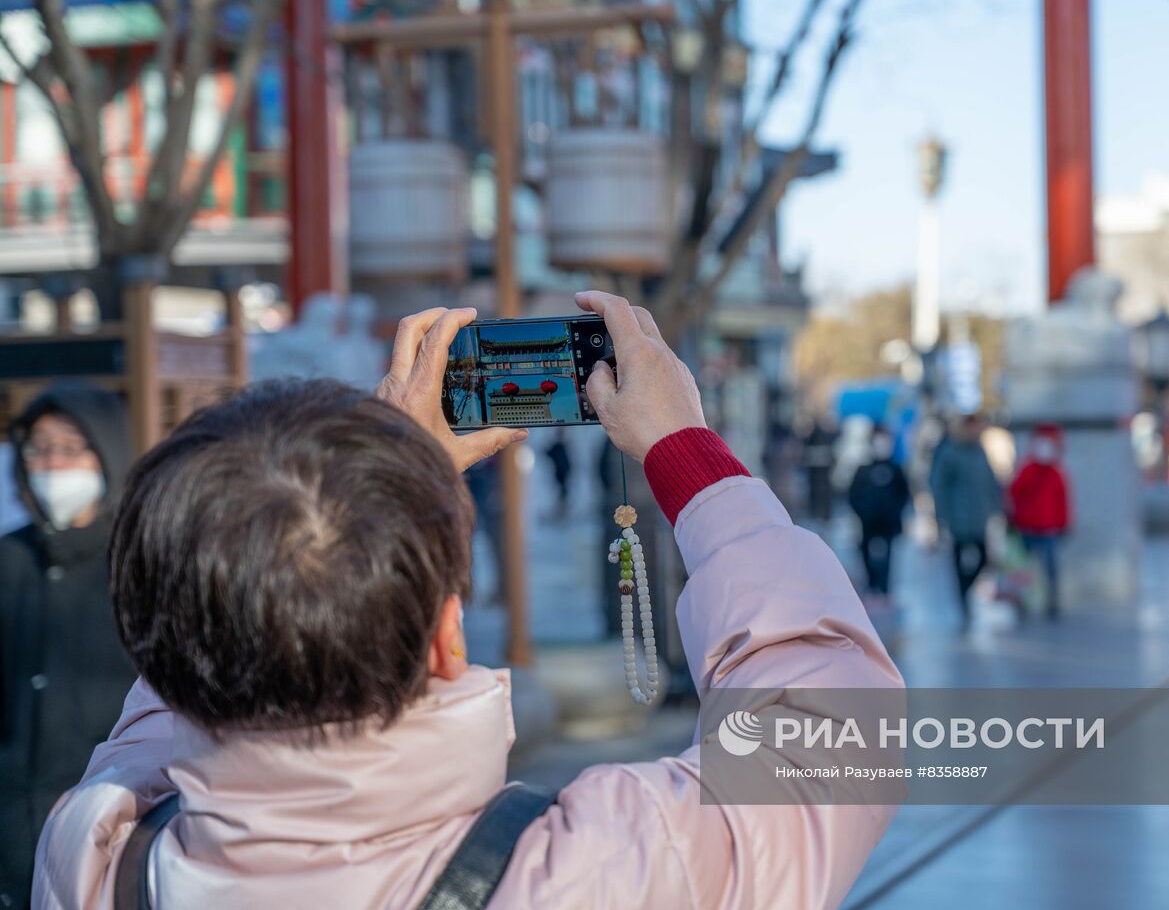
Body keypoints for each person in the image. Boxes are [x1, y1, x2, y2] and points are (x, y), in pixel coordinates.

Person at [31, 293, 903, 910]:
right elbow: (836, 731)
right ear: (448, 637)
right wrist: (685, 449)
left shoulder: (98, 858)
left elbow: (170, 685)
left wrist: (372, 478)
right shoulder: (598, 870)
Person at [1, 383, 137, 908]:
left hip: (110, 826)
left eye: (70, 448)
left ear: (107, 452)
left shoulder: (138, 562)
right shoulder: (10, 558)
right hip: (13, 833)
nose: (52, 465)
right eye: (38, 449)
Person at [931, 413, 1003, 627]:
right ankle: (962, 596)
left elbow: (990, 482)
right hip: (959, 518)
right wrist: (941, 517)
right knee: (959, 561)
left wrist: (997, 508)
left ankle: (967, 589)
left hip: (979, 517)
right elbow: (939, 485)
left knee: (983, 559)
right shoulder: (951, 453)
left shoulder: (980, 452)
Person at [1007, 424, 1071, 618]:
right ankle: (1023, 600)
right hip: (1027, 526)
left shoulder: (1056, 473)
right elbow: (1014, 493)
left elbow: (1063, 501)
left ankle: (1052, 600)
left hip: (1049, 528)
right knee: (1024, 568)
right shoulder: (1027, 469)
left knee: (1050, 567)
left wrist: (1063, 523)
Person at [847, 427, 910, 602]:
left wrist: (895, 512)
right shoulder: (863, 469)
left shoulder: (896, 469)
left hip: (889, 522)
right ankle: (871, 584)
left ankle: (884, 587)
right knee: (865, 551)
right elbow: (853, 494)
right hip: (867, 522)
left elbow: (904, 494)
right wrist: (862, 512)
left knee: (888, 555)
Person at [800, 415, 838, 522]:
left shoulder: (819, 437)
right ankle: (820, 514)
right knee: (820, 493)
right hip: (819, 474)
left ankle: (820, 514)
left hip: (819, 474)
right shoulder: (821, 436)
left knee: (820, 493)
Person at [543, 430, 572, 518]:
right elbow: (548, 453)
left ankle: (562, 510)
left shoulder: (564, 446)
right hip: (560, 474)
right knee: (560, 493)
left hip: (563, 474)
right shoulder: (558, 446)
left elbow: (567, 462)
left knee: (563, 493)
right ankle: (560, 511)